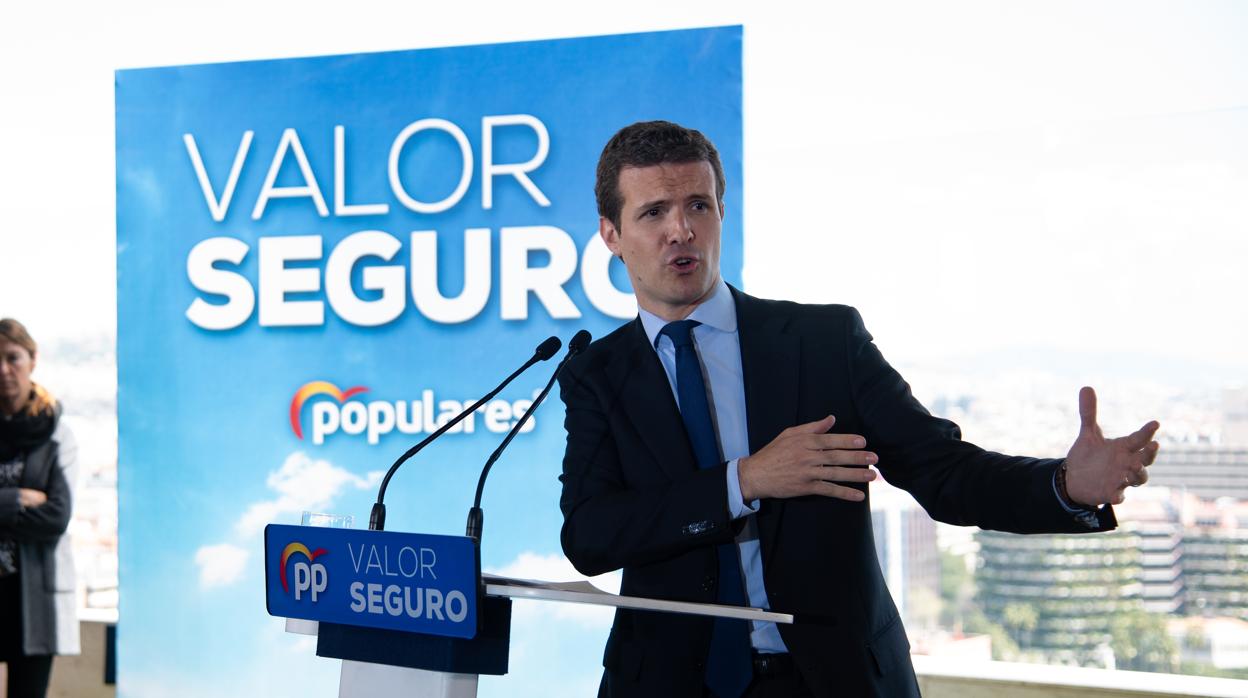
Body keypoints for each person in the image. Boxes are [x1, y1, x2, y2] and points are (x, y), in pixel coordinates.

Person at [557, 121, 1160, 697]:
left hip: (830, 679)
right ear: (611, 234)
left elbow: (945, 473)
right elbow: (590, 534)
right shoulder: (597, 375)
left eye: (698, 205)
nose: (681, 230)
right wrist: (744, 481)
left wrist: (1065, 485)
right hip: (671, 685)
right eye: (654, 212)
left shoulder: (824, 342)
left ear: (722, 212)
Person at [0, 318, 79, 698]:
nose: (4, 370)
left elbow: (56, 516)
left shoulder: (56, 433)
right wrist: (17, 499)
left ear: (32, 360)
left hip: (32, 600)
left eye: (12, 358)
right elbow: (37, 511)